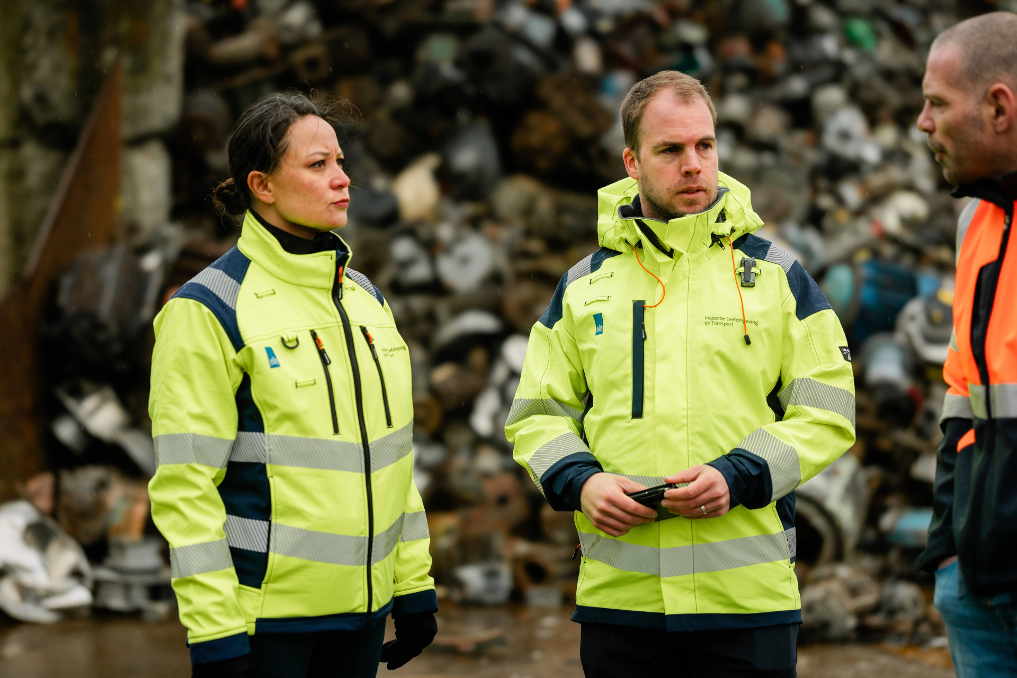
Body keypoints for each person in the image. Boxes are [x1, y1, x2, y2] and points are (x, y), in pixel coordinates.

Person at [506, 70, 856, 678]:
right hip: (623, 606)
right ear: (632, 161)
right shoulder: (585, 286)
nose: (693, 164)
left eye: (705, 146)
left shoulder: (777, 276)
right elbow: (538, 416)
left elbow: (829, 409)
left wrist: (739, 476)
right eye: (670, 150)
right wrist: (581, 483)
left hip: (748, 607)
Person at [148, 92, 436, 678]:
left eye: (339, 161)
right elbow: (186, 490)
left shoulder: (365, 300)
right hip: (266, 630)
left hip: (361, 618)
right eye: (317, 165)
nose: (343, 179)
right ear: (262, 185)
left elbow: (391, 462)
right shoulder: (209, 309)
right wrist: (215, 633)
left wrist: (413, 586)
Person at [915, 12, 1017, 676]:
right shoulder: (972, 223)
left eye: (935, 103)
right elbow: (963, 401)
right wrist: (946, 554)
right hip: (979, 591)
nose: (922, 122)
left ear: (998, 106)